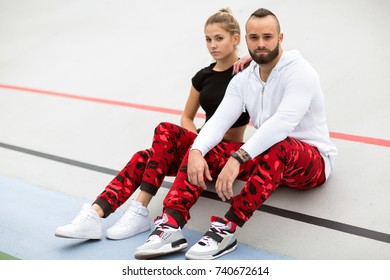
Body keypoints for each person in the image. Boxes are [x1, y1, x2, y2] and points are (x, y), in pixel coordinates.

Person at [134, 7, 338, 260]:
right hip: (265, 156)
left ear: (280, 38)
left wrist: (238, 158)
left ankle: (226, 229)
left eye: (268, 37)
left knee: (279, 145)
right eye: (254, 38)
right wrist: (197, 150)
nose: (261, 44)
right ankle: (171, 224)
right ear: (246, 39)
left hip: (310, 163)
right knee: (207, 147)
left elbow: (282, 123)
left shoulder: (300, 72)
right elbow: (219, 120)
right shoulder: (243, 79)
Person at [55, 8, 250, 241]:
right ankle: (96, 214)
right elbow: (187, 117)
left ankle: (140, 208)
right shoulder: (203, 76)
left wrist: (253, 59)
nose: (212, 45)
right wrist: (195, 145)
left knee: (161, 136)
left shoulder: (248, 71)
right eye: (208, 39)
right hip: (200, 145)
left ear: (235, 39)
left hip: (227, 148)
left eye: (219, 38)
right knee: (144, 155)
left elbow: (277, 59)